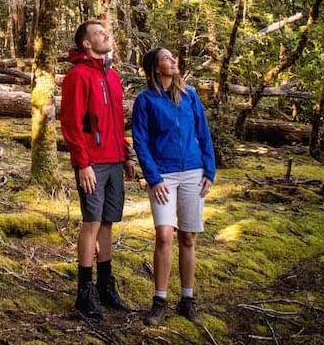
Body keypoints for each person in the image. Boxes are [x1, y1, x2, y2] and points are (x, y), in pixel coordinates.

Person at [131, 46, 216, 325]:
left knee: (188, 238)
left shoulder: (190, 96)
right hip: (163, 176)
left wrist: (210, 170)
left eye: (173, 58)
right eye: (167, 59)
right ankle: (159, 301)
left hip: (193, 171)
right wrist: (153, 178)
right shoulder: (145, 101)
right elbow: (140, 142)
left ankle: (188, 300)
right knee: (164, 235)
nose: (173, 61)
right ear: (156, 68)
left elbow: (203, 133)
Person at [59, 19, 137, 319]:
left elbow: (117, 122)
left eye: (106, 31)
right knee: (91, 222)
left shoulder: (113, 77)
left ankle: (106, 286)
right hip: (92, 163)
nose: (106, 35)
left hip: (114, 160)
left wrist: (126, 155)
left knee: (107, 224)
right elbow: (71, 124)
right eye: (99, 33)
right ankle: (85, 291)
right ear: (86, 44)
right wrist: (83, 163)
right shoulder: (78, 76)